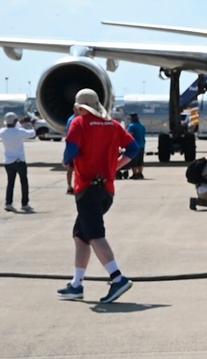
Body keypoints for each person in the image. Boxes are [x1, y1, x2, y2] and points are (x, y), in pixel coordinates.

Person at [57, 88, 140, 304]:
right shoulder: (113, 125)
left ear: (80, 107)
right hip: (106, 189)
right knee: (80, 235)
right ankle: (77, 284)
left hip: (87, 189)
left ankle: (118, 278)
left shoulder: (79, 123)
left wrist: (67, 162)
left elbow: (71, 153)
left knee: (94, 235)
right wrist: (114, 167)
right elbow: (133, 148)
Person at [0, 112, 36, 212]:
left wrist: (19, 122)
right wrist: (32, 124)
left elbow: (12, 127)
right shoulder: (20, 131)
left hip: (8, 161)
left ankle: (8, 203)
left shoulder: (2, 131)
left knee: (10, 183)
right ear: (15, 121)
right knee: (24, 182)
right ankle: (24, 204)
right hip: (20, 161)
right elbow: (32, 134)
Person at [125, 113, 147, 179]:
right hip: (142, 145)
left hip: (134, 146)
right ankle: (140, 173)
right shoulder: (142, 126)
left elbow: (129, 135)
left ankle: (135, 173)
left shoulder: (132, 126)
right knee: (140, 160)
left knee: (133, 160)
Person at [65, 113, 78, 195]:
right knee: (76, 168)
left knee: (71, 168)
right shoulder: (75, 120)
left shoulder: (70, 119)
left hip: (71, 145)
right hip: (76, 145)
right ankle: (72, 186)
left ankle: (70, 186)